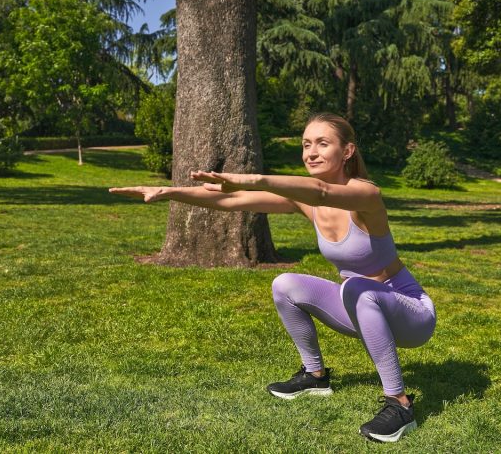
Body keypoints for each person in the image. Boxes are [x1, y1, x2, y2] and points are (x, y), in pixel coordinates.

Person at [109, 113, 436, 443]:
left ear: (347, 151)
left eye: (323, 144)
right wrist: (168, 191)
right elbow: (230, 199)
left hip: (409, 313)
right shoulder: (306, 201)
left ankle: (400, 404)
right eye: (306, 144)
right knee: (285, 284)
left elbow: (322, 191)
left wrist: (252, 178)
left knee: (358, 288)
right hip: (360, 309)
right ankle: (315, 376)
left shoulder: (366, 194)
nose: (311, 152)